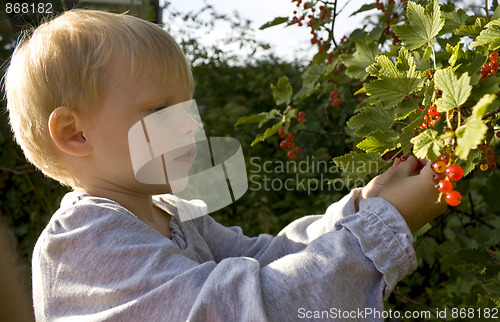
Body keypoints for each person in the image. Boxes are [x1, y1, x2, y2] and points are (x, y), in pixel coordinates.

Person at [5, 9, 446, 321]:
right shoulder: (84, 241)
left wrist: (361, 209)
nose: (189, 126)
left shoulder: (173, 215)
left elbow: (269, 258)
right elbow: (252, 310)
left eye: (188, 108)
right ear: (75, 134)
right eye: (160, 109)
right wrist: (382, 228)